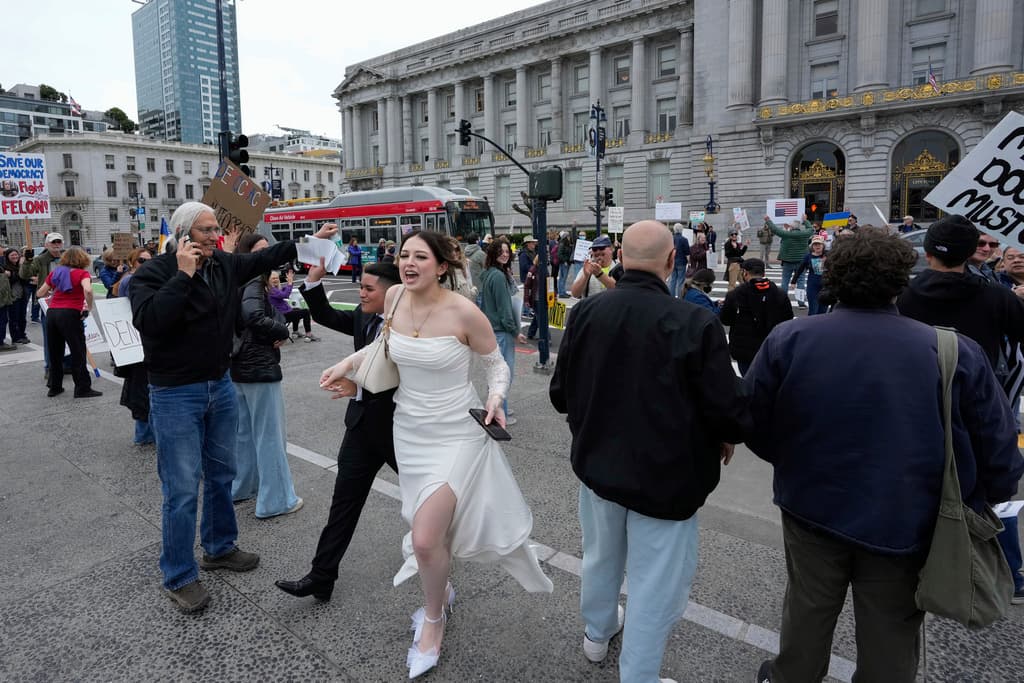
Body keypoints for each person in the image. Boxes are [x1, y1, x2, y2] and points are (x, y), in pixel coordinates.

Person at [746, 228, 1024, 683]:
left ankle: (790, 676)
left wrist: (792, 462)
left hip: (811, 503)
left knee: (808, 608)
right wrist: (983, 496)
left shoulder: (790, 339)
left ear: (832, 276)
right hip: (908, 514)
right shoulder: (953, 350)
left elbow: (753, 421)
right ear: (902, 280)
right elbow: (997, 444)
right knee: (893, 627)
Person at [319, 230, 553, 679]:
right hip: (409, 430)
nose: (408, 263)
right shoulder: (393, 301)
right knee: (429, 528)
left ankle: (432, 619)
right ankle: (440, 588)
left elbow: (496, 364)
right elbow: (383, 346)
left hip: (457, 434)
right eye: (404, 255)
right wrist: (347, 366)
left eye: (420, 257)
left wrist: (497, 398)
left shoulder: (464, 312)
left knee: (425, 538)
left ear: (442, 266)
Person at [550, 220, 748, 683]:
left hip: (598, 464)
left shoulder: (586, 314)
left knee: (600, 556)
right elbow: (727, 408)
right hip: (668, 475)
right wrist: (726, 434)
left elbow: (561, 395)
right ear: (671, 261)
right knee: (654, 581)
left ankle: (597, 633)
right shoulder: (695, 321)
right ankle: (637, 674)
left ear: (620, 254)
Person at [129, 201, 334, 613]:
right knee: (182, 488)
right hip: (174, 394)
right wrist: (184, 276)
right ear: (184, 234)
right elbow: (150, 322)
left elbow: (267, 255)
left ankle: (219, 547)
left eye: (214, 229)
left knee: (222, 474)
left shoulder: (223, 264)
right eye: (205, 230)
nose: (213, 235)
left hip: (219, 385)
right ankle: (179, 575)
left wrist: (310, 243)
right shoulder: (153, 273)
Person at [896, 216, 1024, 608]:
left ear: (928, 252)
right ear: (972, 254)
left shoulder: (904, 296)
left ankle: (913, 563)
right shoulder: (996, 297)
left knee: (916, 488)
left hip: (914, 405)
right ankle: (1002, 571)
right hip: (976, 405)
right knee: (983, 493)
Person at [276, 256, 402, 602]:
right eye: (360, 286)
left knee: (425, 497)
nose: (360, 293)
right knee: (343, 503)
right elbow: (328, 316)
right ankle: (321, 576)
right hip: (361, 428)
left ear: (392, 293)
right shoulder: (363, 315)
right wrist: (314, 282)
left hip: (400, 431)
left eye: (367, 288)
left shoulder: (411, 326)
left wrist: (357, 385)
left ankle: (443, 544)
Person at [229, 232, 303, 519]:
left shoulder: (235, 279)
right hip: (258, 365)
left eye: (268, 250)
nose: (267, 255)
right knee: (269, 435)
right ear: (248, 253)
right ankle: (276, 500)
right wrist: (282, 330)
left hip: (239, 365)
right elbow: (253, 316)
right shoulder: (253, 282)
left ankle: (243, 487)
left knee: (245, 434)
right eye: (260, 250)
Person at [34, 247, 102, 399]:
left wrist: (55, 290)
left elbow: (40, 293)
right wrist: (88, 307)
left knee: (55, 352)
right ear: (83, 259)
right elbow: (88, 290)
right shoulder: (82, 273)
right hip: (70, 313)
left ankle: (54, 387)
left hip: (52, 313)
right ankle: (82, 388)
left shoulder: (56, 272)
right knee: (77, 351)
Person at [479, 238, 526, 423]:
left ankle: (500, 407)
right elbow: (504, 309)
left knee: (495, 372)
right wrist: (515, 331)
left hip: (492, 329)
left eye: (507, 251)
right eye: (501, 251)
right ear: (493, 253)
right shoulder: (498, 277)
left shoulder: (489, 272)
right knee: (504, 374)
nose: (505, 254)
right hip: (502, 331)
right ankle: (500, 413)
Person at [720, 258, 793, 375]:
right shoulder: (779, 294)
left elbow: (725, 319)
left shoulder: (735, 294)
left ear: (745, 273)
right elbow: (788, 319)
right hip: (771, 346)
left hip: (744, 347)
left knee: (748, 381)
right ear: (763, 273)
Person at [115, 247, 156, 445]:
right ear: (133, 262)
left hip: (140, 338)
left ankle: (146, 433)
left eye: (149, 260)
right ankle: (145, 433)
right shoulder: (131, 280)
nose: (146, 263)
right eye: (142, 260)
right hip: (135, 339)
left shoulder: (135, 279)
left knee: (143, 386)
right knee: (142, 386)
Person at [28, 233, 67, 380]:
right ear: (47, 245)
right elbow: (25, 273)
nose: (56, 245)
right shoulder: (40, 260)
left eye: (59, 242)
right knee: (50, 338)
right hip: (48, 302)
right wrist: (27, 261)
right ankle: (50, 367)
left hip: (67, 301)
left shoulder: (67, 258)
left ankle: (66, 363)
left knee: (69, 335)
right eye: (53, 242)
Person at [764, 214, 814, 306]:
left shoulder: (786, 234)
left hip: (787, 261)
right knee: (801, 282)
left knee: (785, 281)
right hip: (801, 262)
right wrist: (805, 220)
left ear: (791, 227)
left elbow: (775, 229)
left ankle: (783, 300)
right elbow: (811, 229)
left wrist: (768, 220)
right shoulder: (805, 234)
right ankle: (801, 302)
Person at [267, 269, 316, 342]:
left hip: (282, 314)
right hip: (281, 316)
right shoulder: (271, 290)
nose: (276, 280)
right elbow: (285, 294)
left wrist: (290, 282)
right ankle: (308, 334)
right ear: (268, 280)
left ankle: (295, 332)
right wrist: (289, 283)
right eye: (273, 278)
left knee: (297, 310)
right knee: (306, 312)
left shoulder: (273, 289)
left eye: (277, 278)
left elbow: (284, 291)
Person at [570, 235, 618, 299]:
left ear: (611, 249)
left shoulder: (618, 268)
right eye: (594, 249)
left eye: (602, 248)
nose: (598, 251)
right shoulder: (588, 268)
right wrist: (585, 276)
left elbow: (619, 290)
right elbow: (575, 294)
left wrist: (599, 274)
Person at [789, 235, 828, 315]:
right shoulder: (808, 256)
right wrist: (793, 281)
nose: (817, 246)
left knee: (823, 310)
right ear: (812, 246)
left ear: (823, 245)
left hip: (826, 286)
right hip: (812, 285)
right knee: (813, 309)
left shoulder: (828, 255)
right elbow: (800, 269)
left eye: (819, 244)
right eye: (815, 244)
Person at [2, 248, 29, 344]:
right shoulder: (5, 267)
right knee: (14, 317)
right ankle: (16, 337)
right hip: (13, 296)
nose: (15, 257)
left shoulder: (20, 266)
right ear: (8, 257)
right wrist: (15, 274)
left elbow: (25, 278)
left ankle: (22, 334)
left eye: (16, 255)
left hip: (23, 294)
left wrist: (16, 273)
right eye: (12, 255)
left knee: (23, 317)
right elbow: (11, 280)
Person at [669, 223, 691, 297]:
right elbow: (687, 253)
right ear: (681, 230)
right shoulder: (684, 239)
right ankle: (680, 297)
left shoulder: (670, 239)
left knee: (673, 280)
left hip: (672, 261)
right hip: (681, 262)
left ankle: (671, 296)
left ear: (674, 230)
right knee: (681, 281)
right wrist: (689, 262)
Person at [20, 248, 40, 324]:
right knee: (25, 301)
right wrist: (31, 278)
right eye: (26, 252)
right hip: (27, 283)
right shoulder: (21, 261)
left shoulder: (35, 259)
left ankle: (35, 317)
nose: (28, 253)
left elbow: (37, 269)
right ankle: (22, 317)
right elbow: (21, 273)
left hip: (36, 283)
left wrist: (38, 277)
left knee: (36, 301)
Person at [557, 231, 573, 297]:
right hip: (564, 263)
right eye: (568, 236)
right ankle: (561, 293)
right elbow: (559, 254)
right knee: (563, 278)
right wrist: (564, 261)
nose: (569, 237)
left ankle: (562, 292)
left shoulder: (566, 243)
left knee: (563, 278)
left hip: (566, 262)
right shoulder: (562, 244)